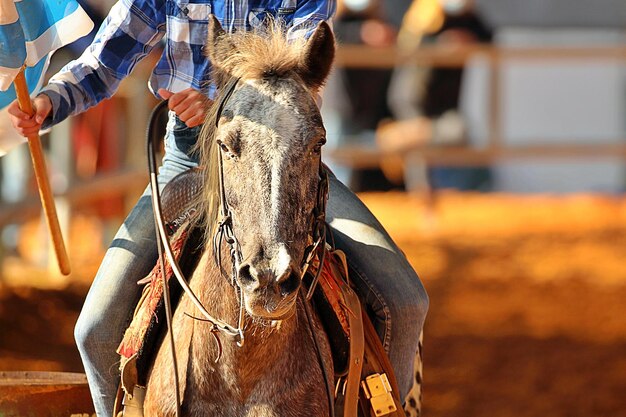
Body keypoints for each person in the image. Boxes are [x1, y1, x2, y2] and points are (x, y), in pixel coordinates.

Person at [7, 1, 428, 415]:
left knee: (405, 303)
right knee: (95, 331)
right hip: (190, 159)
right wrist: (51, 100)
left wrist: (222, 108)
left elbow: (294, 75)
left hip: (285, 158)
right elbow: (103, 61)